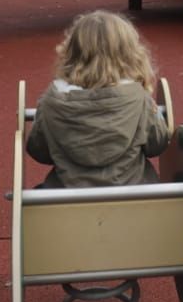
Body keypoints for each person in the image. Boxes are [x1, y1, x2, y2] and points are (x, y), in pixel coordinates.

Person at [26, 10, 170, 189]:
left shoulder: (51, 101)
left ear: (71, 53)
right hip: (133, 197)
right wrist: (155, 116)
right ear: (130, 55)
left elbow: (39, 151)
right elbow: (157, 146)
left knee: (41, 195)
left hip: (67, 199)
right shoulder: (139, 99)